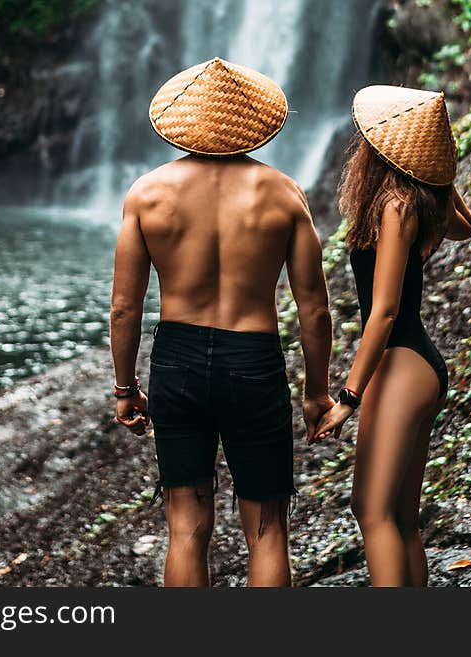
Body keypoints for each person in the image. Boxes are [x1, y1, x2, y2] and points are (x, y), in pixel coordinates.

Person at [109, 58, 334, 587]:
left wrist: (125, 387)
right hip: (252, 361)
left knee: (185, 527)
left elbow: (125, 307)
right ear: (252, 123)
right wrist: (316, 392)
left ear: (180, 122)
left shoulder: (147, 194)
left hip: (177, 360)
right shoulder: (282, 193)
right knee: (268, 531)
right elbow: (315, 308)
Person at [312, 85, 471, 586]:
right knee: (402, 519)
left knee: (373, 512)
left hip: (400, 361)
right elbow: (465, 226)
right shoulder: (422, 202)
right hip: (422, 365)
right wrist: (440, 175)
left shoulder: (395, 205)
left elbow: (382, 313)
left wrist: (347, 397)